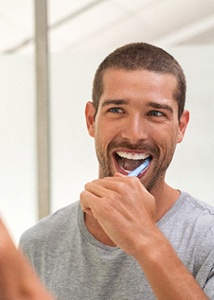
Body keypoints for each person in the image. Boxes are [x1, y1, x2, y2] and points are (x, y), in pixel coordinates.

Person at [17, 42, 213, 299]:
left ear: (181, 127)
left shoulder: (208, 240)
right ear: (91, 120)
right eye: (117, 110)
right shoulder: (38, 244)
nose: (134, 134)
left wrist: (146, 240)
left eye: (155, 113)